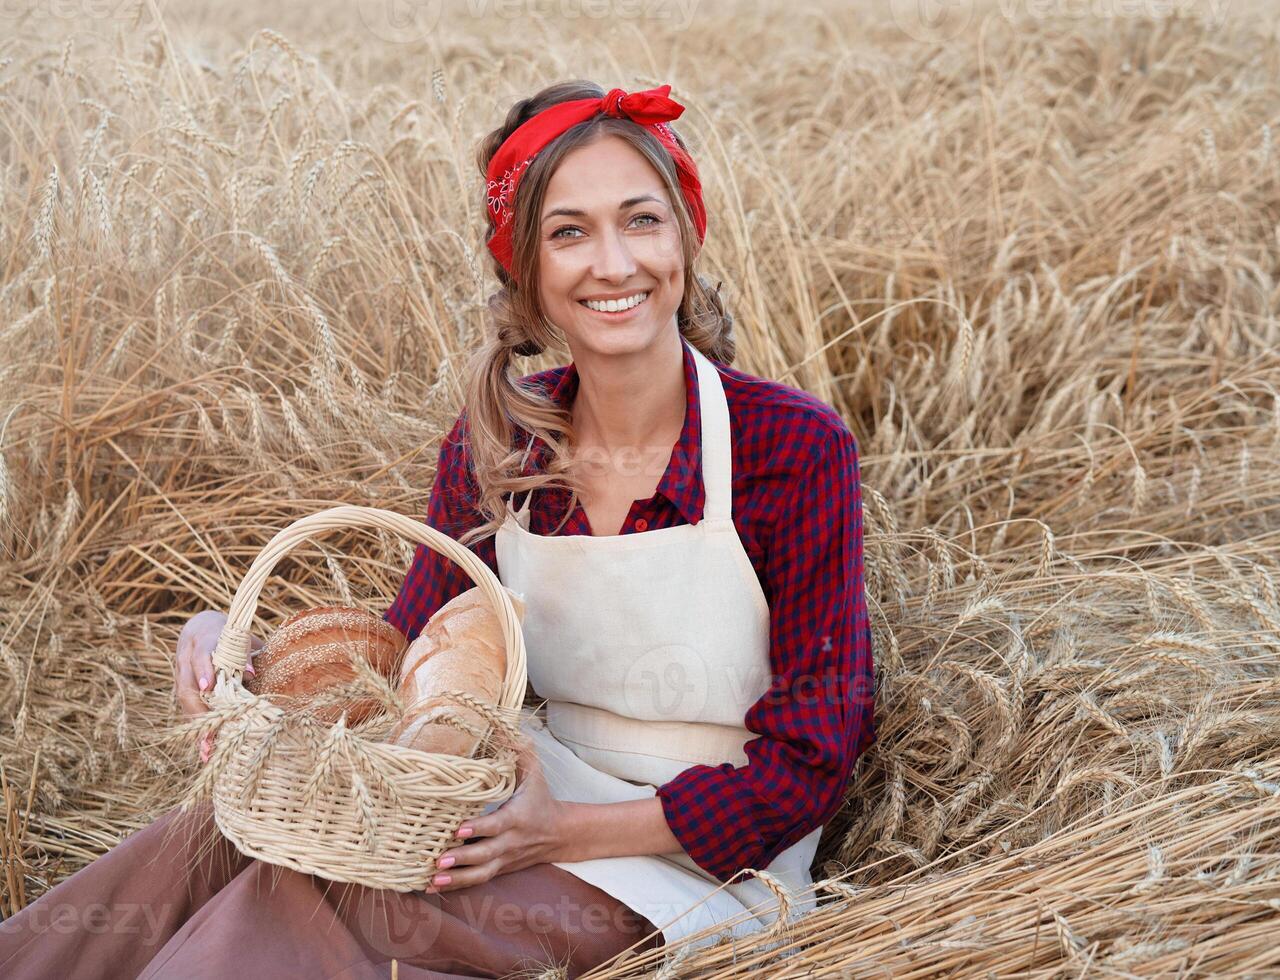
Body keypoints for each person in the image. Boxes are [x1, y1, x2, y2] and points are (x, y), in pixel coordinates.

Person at [0, 80, 875, 979]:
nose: (614, 264)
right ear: (526, 270)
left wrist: (558, 833)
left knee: (321, 886)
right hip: (518, 792)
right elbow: (405, 647)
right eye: (569, 232)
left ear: (684, 239)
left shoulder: (792, 446)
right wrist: (239, 651)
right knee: (211, 838)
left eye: (641, 221)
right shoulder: (505, 439)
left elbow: (813, 760)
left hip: (690, 860)